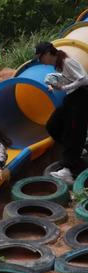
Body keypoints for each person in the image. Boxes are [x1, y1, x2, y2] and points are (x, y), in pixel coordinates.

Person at [36, 41, 88, 184]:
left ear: (47, 53)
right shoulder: (58, 64)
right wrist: (55, 85)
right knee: (53, 125)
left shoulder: (66, 61)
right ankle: (79, 149)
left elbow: (84, 79)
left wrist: (66, 87)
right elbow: (67, 79)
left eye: (40, 57)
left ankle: (67, 170)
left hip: (81, 97)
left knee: (74, 130)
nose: (40, 61)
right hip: (71, 97)